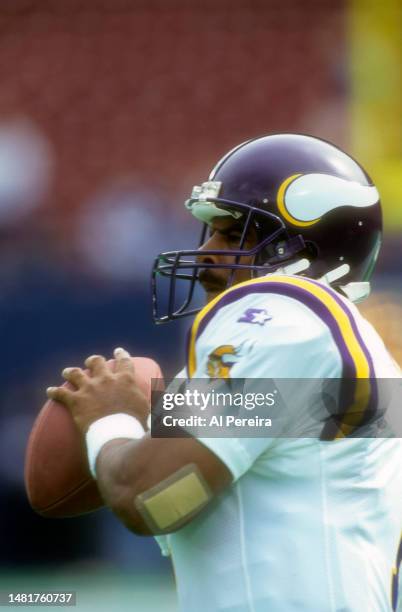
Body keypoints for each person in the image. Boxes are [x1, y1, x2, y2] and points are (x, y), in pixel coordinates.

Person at [47, 134, 402, 612]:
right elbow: (187, 498)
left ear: (305, 246)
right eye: (211, 232)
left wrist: (109, 421)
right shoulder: (322, 341)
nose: (207, 253)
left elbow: (147, 495)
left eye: (234, 234)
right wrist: (155, 427)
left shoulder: (284, 313)